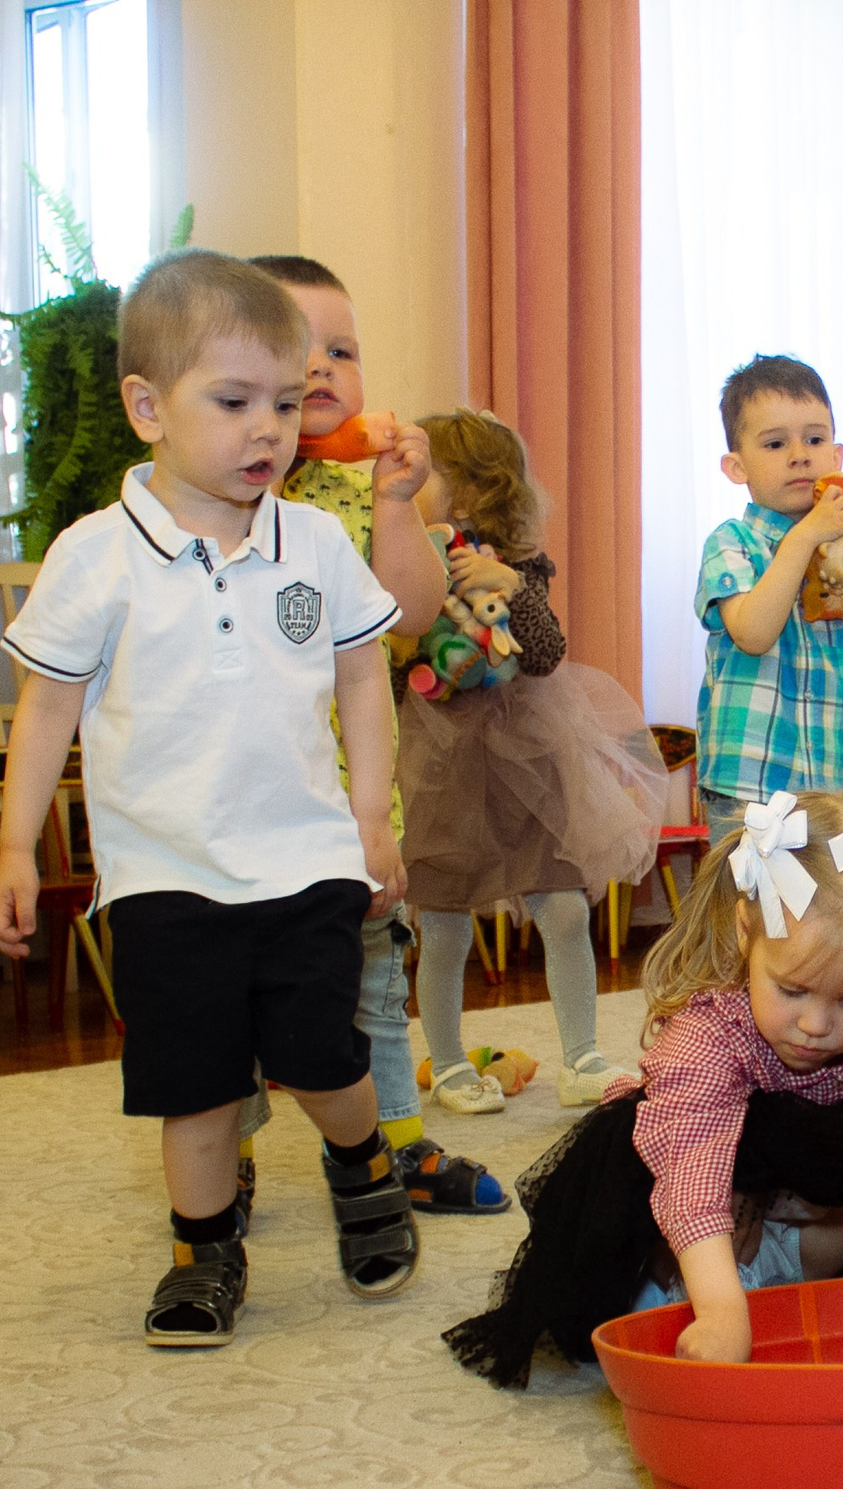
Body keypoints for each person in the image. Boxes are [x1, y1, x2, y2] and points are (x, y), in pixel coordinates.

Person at [0, 250, 420, 1346]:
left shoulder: (314, 540)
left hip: (305, 857)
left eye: (283, 402)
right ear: (146, 407)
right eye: (232, 402)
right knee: (195, 1084)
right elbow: (45, 710)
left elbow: (366, 674)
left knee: (322, 1058)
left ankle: (360, 1158)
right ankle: (203, 1253)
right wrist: (17, 852)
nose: (266, 428)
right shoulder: (96, 556)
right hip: (163, 869)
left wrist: (370, 813)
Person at [443, 788, 843, 1386]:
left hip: (818, 1228)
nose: (816, 1025)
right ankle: (718, 1304)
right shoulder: (708, 1032)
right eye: (793, 991)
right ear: (746, 930)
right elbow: (693, 1176)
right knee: (679, 1283)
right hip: (707, 1239)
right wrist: (723, 1312)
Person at [239, 255, 507, 1217]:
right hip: (231, 808)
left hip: (353, 800)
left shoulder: (357, 495)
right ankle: (224, 1155)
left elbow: (411, 610)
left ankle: (397, 1141)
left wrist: (398, 503)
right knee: (228, 1000)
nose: (321, 371)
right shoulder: (213, 494)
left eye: (341, 351)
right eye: (293, 349)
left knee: (373, 980)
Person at [399, 407, 667, 1113]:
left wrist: (512, 587)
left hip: (528, 756)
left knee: (564, 904)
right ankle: (450, 1061)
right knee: (446, 918)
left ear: (467, 488)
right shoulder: (403, 553)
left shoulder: (522, 564)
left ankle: (582, 1056)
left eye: (426, 472)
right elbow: (399, 651)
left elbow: (545, 655)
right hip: (439, 762)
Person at [692, 356, 843, 845]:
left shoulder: (841, 552)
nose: (800, 455)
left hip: (837, 780)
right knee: (754, 916)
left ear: (837, 456)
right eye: (775, 443)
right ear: (736, 467)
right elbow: (754, 632)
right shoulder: (732, 541)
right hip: (750, 782)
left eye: (814, 439)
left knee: (834, 919)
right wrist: (806, 537)